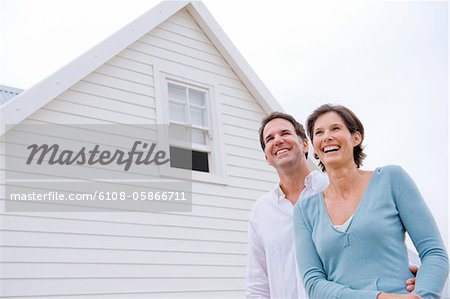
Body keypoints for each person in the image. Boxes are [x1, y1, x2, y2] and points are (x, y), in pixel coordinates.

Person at [247, 111, 418, 298]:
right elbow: (258, 283)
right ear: (266, 158)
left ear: (305, 145)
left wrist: (410, 274)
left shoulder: (334, 188)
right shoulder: (261, 211)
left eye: (285, 133)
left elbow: (374, 237)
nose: (278, 140)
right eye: (270, 138)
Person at [293, 104, 448, 299]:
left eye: (335, 128)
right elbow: (314, 284)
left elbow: (434, 253)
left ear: (356, 137)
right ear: (315, 146)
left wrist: (422, 295)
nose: (326, 137)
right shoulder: (304, 210)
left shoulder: (392, 179)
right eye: (319, 132)